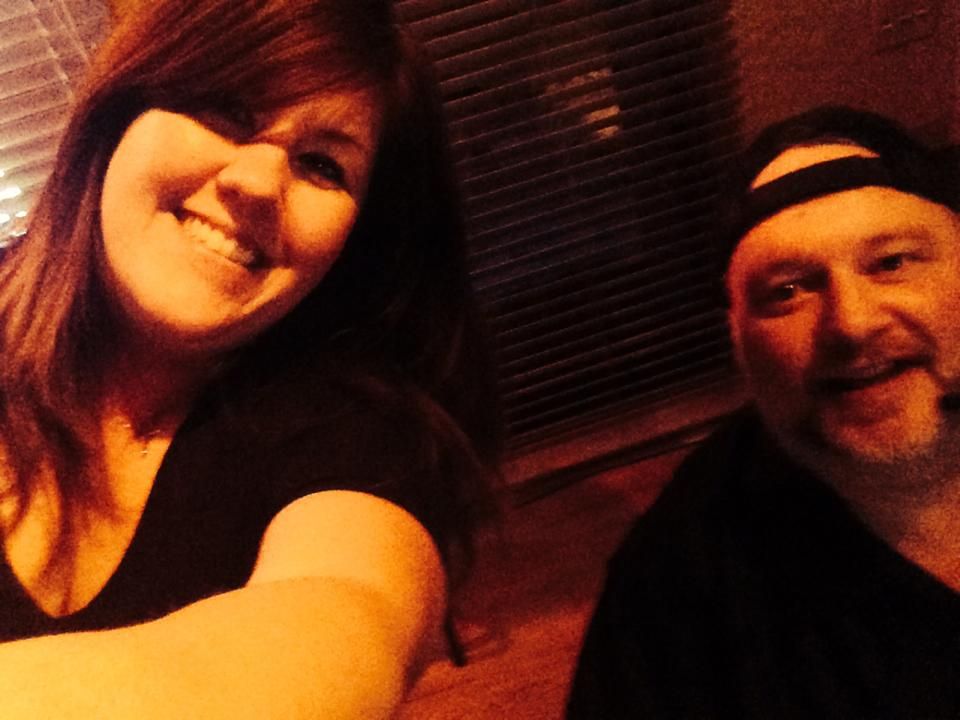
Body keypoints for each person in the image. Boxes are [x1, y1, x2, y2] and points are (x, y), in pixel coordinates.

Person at [0, 0, 501, 717]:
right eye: (226, 111)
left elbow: (348, 617)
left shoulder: (359, 436)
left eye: (322, 165)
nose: (259, 182)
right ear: (119, 116)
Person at [566, 106, 960, 718]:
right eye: (788, 291)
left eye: (892, 262)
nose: (852, 323)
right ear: (738, 342)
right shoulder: (675, 589)